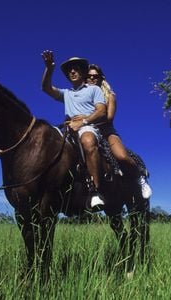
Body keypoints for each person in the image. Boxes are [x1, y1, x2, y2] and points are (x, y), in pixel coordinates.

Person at [41, 50, 107, 208]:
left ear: (83, 72)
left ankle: (95, 192)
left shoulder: (93, 90)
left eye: (76, 68)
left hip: (87, 127)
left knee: (88, 141)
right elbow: (46, 88)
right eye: (69, 69)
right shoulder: (66, 93)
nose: (72, 71)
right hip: (67, 127)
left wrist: (83, 121)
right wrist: (49, 69)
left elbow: (101, 111)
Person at [87, 64, 152, 199]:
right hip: (85, 131)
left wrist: (85, 120)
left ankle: (139, 177)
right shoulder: (80, 94)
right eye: (89, 76)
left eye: (95, 76)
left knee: (121, 156)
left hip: (106, 132)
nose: (92, 78)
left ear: (101, 78)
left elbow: (109, 118)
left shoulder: (110, 96)